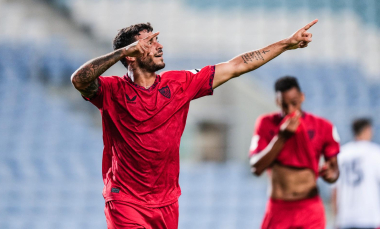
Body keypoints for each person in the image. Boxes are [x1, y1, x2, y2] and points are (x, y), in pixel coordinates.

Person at [71, 19, 318, 229]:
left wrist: (286, 44)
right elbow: (80, 80)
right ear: (132, 54)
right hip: (125, 200)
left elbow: (236, 66)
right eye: (150, 42)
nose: (159, 46)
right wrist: (121, 52)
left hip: (167, 203)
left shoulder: (180, 83)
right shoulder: (112, 90)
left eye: (157, 40)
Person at [249, 76, 340, 229]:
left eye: (294, 103)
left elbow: (334, 170)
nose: (291, 110)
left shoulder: (323, 127)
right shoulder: (266, 123)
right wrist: (281, 137)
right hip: (279, 209)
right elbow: (256, 168)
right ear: (278, 102)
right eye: (285, 105)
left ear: (302, 97)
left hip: (310, 209)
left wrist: (331, 175)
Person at [332, 118, 380, 229]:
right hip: (369, 217)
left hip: (345, 218)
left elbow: (335, 190)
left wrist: (337, 218)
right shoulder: (375, 153)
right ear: (368, 130)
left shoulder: (341, 153)